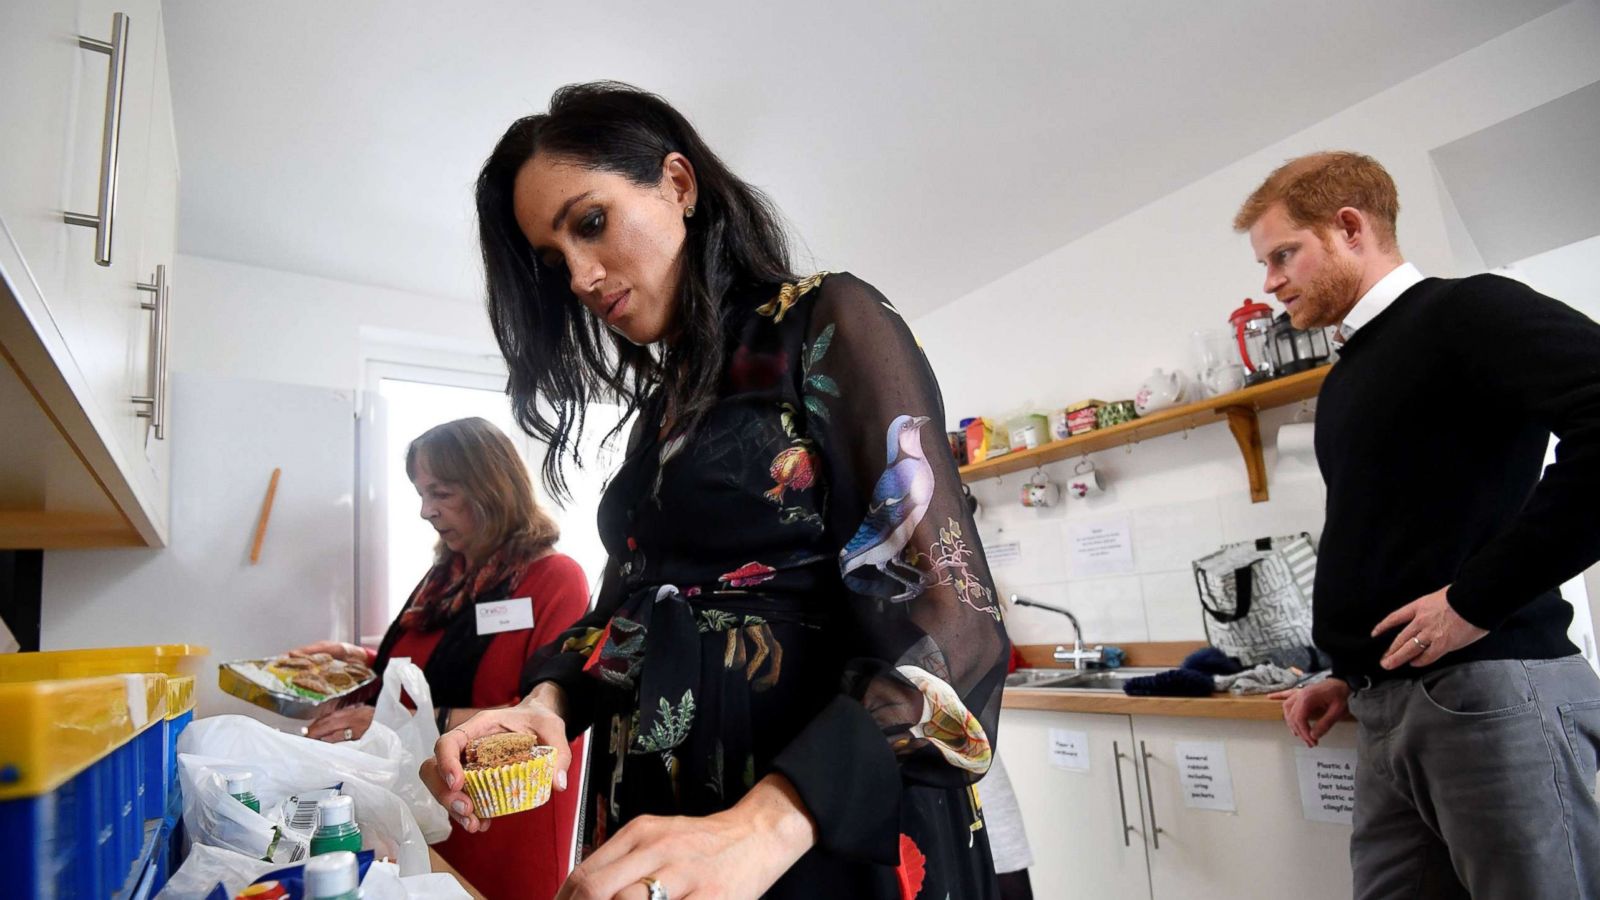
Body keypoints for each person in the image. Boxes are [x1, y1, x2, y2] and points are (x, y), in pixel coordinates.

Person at [420, 82, 1010, 900]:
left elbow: (960, 629)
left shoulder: (827, 322)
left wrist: (765, 825)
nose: (583, 278)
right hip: (662, 831)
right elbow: (634, 614)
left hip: (817, 836)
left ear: (678, 184)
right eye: (556, 262)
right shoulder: (659, 416)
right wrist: (547, 705)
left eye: (590, 223)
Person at [1235, 151, 1600, 898]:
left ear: (1348, 228)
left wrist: (1476, 599)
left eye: (1283, 255)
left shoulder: (1468, 313)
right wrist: (1349, 669)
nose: (1270, 283)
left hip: (1489, 691)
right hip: (1387, 705)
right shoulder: (1344, 379)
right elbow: (1398, 534)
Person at [290, 416, 591, 899]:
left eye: (442, 493)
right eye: (420, 493)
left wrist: (391, 721)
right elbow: (433, 668)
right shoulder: (444, 579)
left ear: (491, 488)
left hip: (504, 823)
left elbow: (535, 716)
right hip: (429, 805)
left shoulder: (555, 578)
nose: (426, 511)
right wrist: (359, 662)